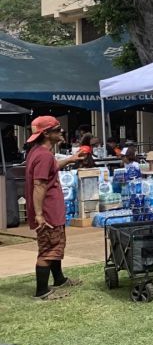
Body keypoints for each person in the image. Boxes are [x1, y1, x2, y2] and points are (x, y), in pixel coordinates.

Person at [24, 116, 84, 300]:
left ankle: (59, 279)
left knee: (55, 245)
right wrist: (40, 215)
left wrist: (70, 159)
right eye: (58, 130)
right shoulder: (43, 155)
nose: (62, 132)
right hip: (48, 212)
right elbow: (39, 185)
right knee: (48, 249)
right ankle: (42, 291)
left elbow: (52, 167)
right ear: (47, 134)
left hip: (51, 210)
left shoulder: (39, 152)